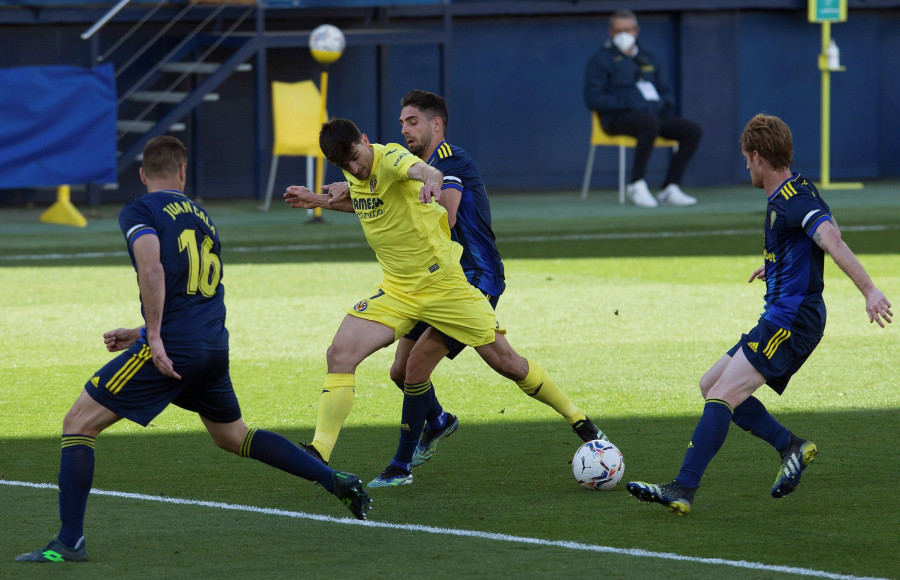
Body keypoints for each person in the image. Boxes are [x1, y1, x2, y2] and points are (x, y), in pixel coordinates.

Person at [15, 137, 371, 564]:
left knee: (78, 424)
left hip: (175, 348)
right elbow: (194, 288)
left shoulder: (140, 210)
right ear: (183, 172)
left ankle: (68, 543)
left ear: (144, 174)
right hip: (210, 345)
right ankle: (333, 479)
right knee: (233, 436)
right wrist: (140, 331)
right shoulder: (203, 217)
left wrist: (154, 337)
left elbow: (151, 267)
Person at [283, 118, 607, 488]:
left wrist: (431, 184)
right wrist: (318, 200)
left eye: (357, 157)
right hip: (398, 289)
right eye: (346, 165)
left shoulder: (390, 158)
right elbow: (369, 202)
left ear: (366, 140)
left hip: (444, 287)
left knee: (508, 363)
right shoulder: (356, 173)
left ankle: (582, 422)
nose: (355, 168)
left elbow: (426, 170)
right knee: (340, 353)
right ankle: (319, 453)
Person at [625, 114, 892, 515]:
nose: (746, 167)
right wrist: (782, 261)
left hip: (791, 320)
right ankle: (791, 446)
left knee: (722, 396)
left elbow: (831, 237)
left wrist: (869, 290)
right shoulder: (798, 186)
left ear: (759, 157)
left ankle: (683, 488)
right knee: (710, 383)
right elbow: (827, 223)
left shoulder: (792, 200)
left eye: (747, 159)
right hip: (785, 314)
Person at [583, 9, 702, 208]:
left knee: (692, 130)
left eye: (628, 30)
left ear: (636, 30)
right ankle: (636, 183)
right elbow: (593, 98)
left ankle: (670, 187)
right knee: (649, 123)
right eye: (618, 30)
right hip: (617, 119)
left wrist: (659, 104)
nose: (623, 34)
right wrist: (627, 103)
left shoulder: (648, 58)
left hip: (652, 115)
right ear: (611, 32)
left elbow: (667, 92)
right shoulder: (600, 60)